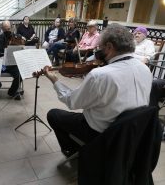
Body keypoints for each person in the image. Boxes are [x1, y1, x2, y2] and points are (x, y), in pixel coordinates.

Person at [37, 23, 152, 158]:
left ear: (109, 47)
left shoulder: (100, 75)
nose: (98, 50)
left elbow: (72, 102)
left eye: (100, 47)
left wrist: (54, 80)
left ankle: (73, 150)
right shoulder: (145, 69)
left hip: (102, 133)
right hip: (133, 132)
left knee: (54, 114)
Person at [0, 20, 22, 100]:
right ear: (2, 29)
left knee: (20, 74)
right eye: (5, 29)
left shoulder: (17, 37)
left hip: (12, 64)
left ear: (11, 28)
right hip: (2, 63)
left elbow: (21, 52)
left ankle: (12, 91)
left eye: (8, 29)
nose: (7, 31)